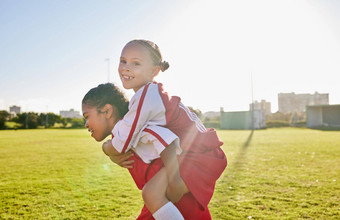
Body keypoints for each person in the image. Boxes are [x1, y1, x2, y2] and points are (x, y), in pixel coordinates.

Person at [101, 39, 228, 219]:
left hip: (198, 156)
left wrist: (106, 149)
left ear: (154, 71)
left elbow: (121, 143)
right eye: (123, 61)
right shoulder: (151, 94)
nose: (126, 68)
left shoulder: (146, 96)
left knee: (152, 194)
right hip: (200, 153)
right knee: (158, 197)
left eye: (136, 63)